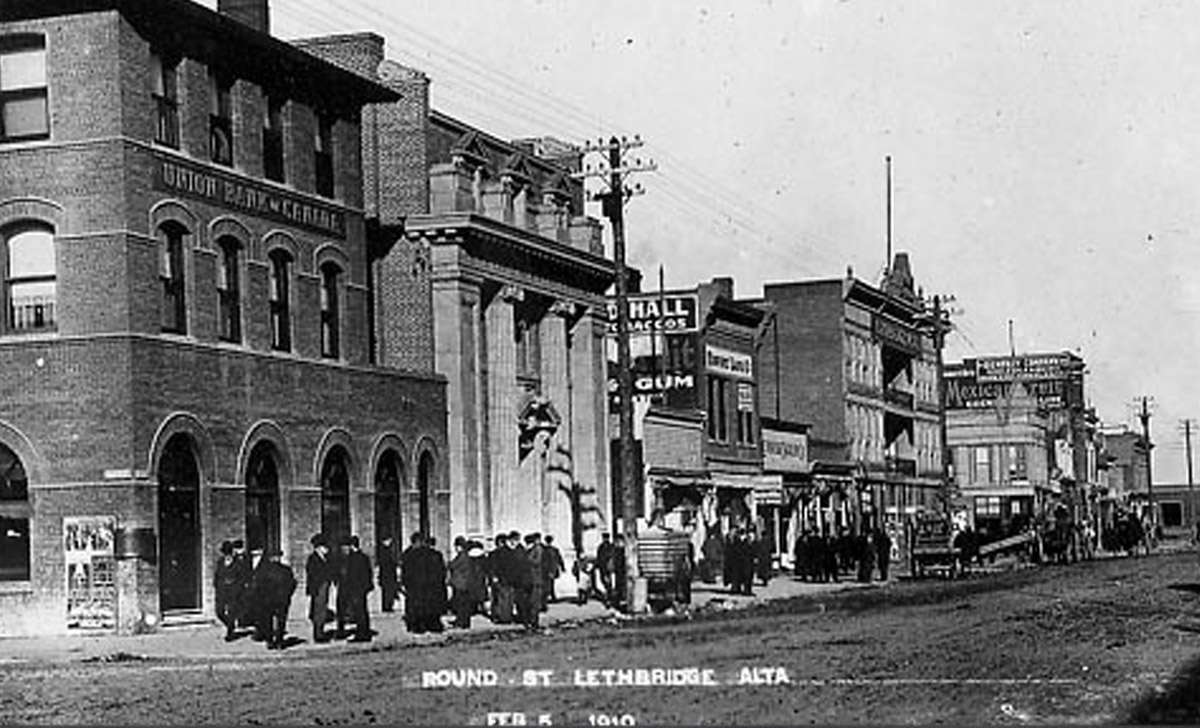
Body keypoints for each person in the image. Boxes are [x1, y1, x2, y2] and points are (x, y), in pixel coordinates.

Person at [400, 532, 448, 633]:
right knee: (429, 607)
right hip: (430, 586)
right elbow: (441, 572)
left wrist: (405, 584)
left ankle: (418, 627)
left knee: (417, 608)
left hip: (416, 587)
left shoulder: (409, 555)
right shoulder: (433, 554)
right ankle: (432, 626)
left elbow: (406, 572)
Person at [253, 548, 296, 650]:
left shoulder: (267, 570)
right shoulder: (284, 570)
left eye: (277, 557)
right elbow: (293, 584)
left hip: (274, 599)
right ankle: (276, 641)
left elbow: (292, 583)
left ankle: (273, 641)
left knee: (272, 620)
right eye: (274, 557)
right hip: (275, 599)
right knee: (276, 620)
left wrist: (288, 594)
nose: (275, 559)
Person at [337, 535, 374, 642]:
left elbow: (350, 576)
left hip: (355, 590)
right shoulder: (364, 557)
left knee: (359, 613)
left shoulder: (352, 558)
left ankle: (362, 635)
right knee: (362, 611)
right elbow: (368, 574)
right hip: (361, 590)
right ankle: (364, 632)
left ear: (351, 546)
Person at [448, 536, 487, 628]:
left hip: (461, 584)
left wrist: (449, 564)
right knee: (463, 604)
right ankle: (462, 621)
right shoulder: (467, 556)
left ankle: (461, 622)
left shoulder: (463, 556)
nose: (455, 548)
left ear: (459, 546)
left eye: (456, 546)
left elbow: (454, 565)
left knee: (461, 604)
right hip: (464, 583)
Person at [214, 540, 247, 641]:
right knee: (219, 612)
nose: (226, 554)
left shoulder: (238, 562)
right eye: (225, 552)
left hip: (233, 590)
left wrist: (237, 588)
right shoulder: (220, 562)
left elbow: (242, 577)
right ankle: (230, 625)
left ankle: (230, 633)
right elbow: (217, 575)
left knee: (232, 611)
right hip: (222, 590)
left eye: (228, 552)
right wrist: (217, 586)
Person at [305, 534, 334, 643]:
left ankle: (320, 632)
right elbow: (311, 575)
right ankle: (318, 635)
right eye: (324, 547)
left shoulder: (325, 558)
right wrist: (312, 589)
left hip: (324, 587)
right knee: (318, 611)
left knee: (322, 610)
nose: (327, 549)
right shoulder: (313, 558)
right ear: (318, 548)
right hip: (318, 588)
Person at [487, 534, 516, 624]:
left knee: (497, 599)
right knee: (508, 599)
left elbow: (491, 567)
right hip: (509, 579)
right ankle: (507, 617)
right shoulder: (511, 553)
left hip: (498, 579)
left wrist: (493, 577)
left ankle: (498, 616)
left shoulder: (494, 554)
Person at [542, 534, 565, 606]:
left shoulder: (544, 550)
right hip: (553, 569)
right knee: (551, 583)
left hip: (547, 569)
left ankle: (550, 596)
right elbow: (559, 559)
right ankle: (552, 596)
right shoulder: (555, 550)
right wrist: (562, 567)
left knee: (548, 584)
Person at [377, 536, 399, 613]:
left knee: (387, 591)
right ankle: (387, 606)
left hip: (387, 575)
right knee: (388, 592)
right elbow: (386, 565)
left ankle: (387, 605)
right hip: (387, 575)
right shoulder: (385, 552)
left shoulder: (385, 551)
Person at [595, 533, 616, 604]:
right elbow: (599, 556)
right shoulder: (601, 547)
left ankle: (609, 594)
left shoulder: (610, 547)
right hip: (603, 566)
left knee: (607, 580)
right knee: (604, 580)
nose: (604, 539)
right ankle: (609, 592)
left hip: (607, 566)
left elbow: (611, 556)